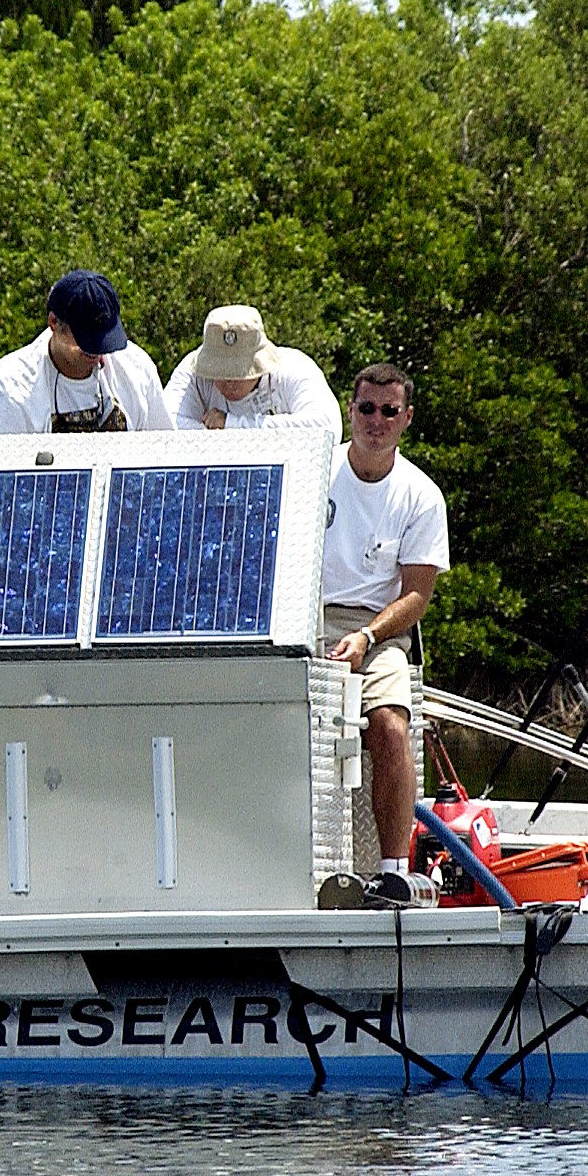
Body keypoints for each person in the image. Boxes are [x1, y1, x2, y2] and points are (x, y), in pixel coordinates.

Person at [319, 362, 451, 908]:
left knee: (391, 728)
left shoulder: (421, 495)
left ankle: (395, 873)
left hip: (381, 627)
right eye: (367, 408)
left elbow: (417, 596)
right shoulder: (316, 472)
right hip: (311, 616)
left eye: (389, 411)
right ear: (350, 411)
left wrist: (367, 638)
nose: (376, 421)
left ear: (406, 419)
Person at [0, 268, 171, 435]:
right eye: (86, 339)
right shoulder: (8, 390)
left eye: (105, 339)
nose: (98, 350)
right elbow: (1, 479)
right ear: (53, 323)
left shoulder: (138, 369)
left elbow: (167, 457)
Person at [164, 304, 338, 431]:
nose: (230, 381)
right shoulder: (192, 373)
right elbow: (164, 426)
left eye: (240, 373)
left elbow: (327, 426)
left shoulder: (295, 368)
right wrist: (219, 440)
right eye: (220, 372)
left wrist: (231, 425)